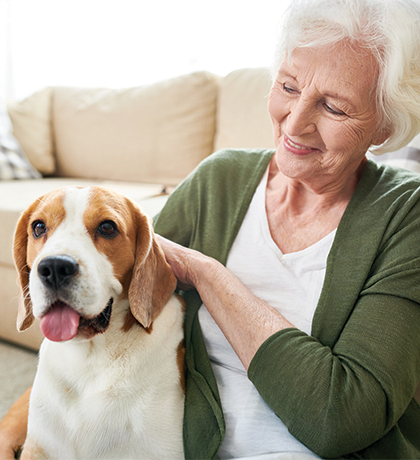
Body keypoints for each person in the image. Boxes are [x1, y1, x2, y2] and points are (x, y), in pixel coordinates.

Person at [1, 0, 420, 458]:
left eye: (334, 108)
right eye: (288, 86)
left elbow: (340, 419)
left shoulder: (405, 213)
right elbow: (119, 291)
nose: (295, 123)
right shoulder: (218, 181)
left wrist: (208, 275)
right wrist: (20, 426)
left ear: (385, 123)